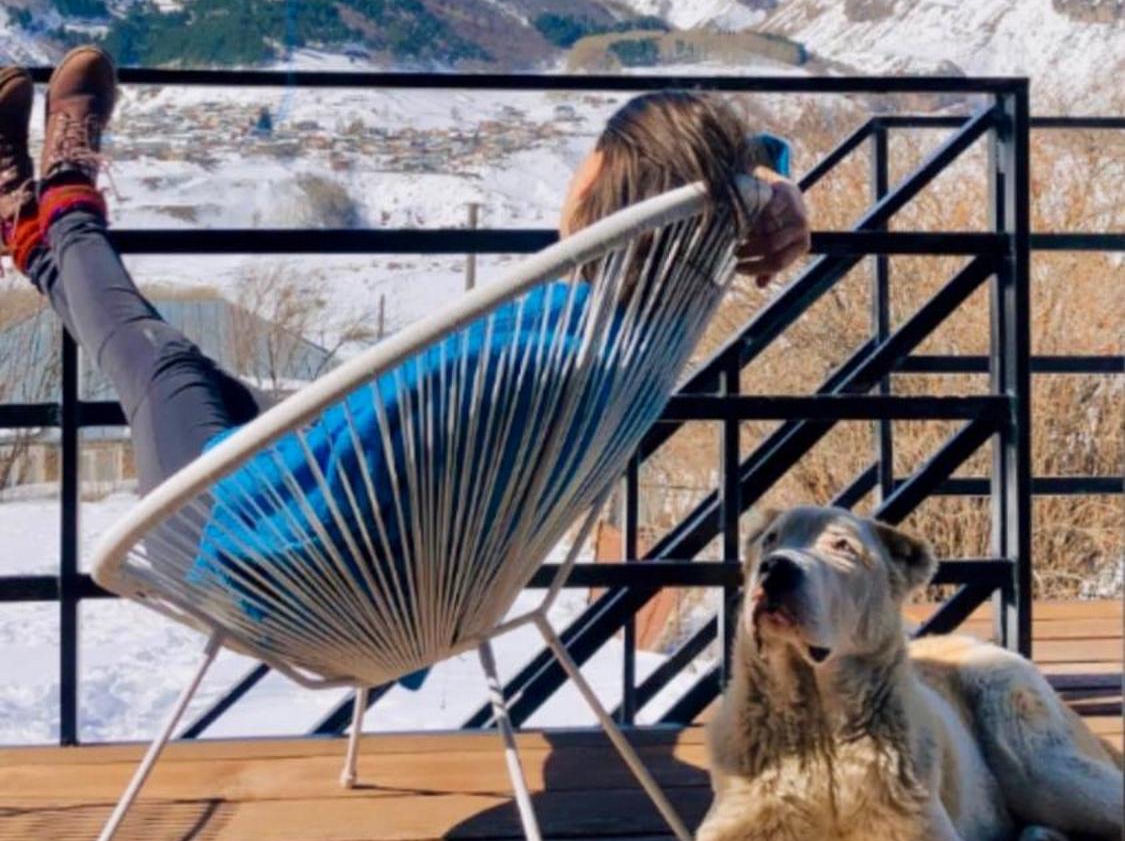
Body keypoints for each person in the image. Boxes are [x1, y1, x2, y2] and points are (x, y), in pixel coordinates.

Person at [0, 49, 811, 512]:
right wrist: (765, 179)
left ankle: (66, 194)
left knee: (160, 359)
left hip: (252, 549)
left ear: (609, 190)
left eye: (585, 162)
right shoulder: (630, 334)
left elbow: (364, 412)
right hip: (398, 587)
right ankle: (31, 232)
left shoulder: (538, 332)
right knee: (200, 374)